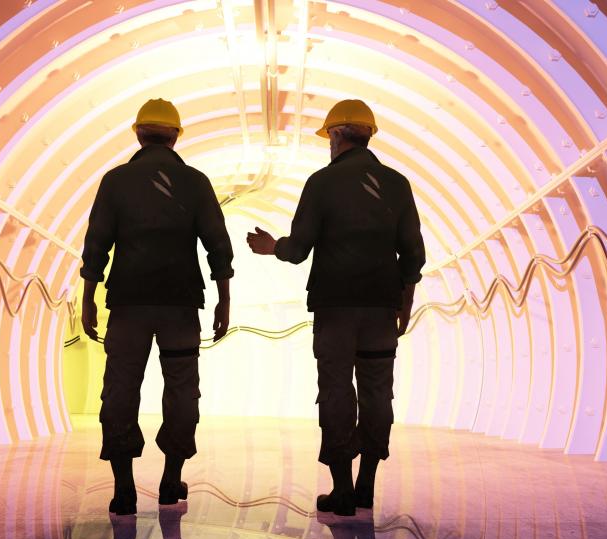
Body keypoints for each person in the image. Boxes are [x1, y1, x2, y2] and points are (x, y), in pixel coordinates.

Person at [246, 99, 426, 516]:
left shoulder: (322, 183)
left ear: (338, 134)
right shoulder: (397, 184)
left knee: (337, 391)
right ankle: (366, 486)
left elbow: (299, 248)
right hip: (382, 307)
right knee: (378, 392)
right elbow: (413, 254)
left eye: (329, 135)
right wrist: (404, 301)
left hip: (336, 308)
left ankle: (341, 490)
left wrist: (274, 247)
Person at [80, 98, 234, 516]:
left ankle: (124, 488)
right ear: (176, 136)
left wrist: (88, 298)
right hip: (181, 305)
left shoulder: (115, 181)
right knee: (182, 389)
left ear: (138, 133)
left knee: (120, 390)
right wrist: (224, 298)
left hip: (128, 304)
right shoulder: (195, 182)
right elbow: (217, 244)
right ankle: (170, 479)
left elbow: (97, 244)